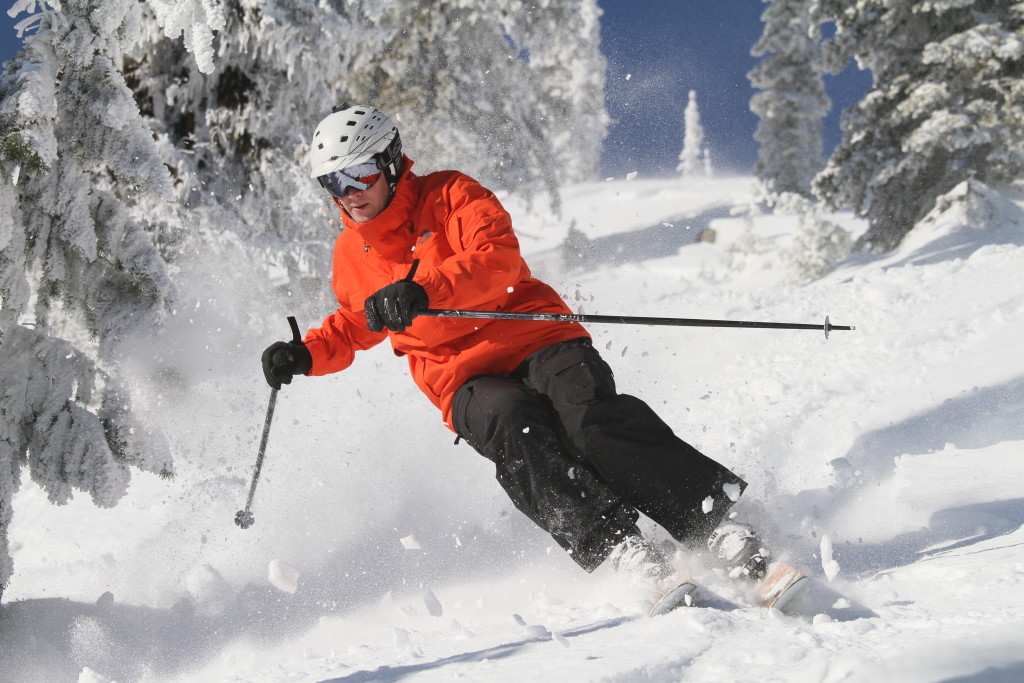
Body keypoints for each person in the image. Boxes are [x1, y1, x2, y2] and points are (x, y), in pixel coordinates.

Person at [262, 104, 767, 591]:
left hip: (532, 333)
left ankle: (709, 522)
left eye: (360, 175)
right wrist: (305, 353)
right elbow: (355, 321)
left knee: (587, 419)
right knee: (514, 426)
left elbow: (498, 261)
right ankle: (617, 547)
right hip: (459, 377)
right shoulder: (351, 253)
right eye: (333, 182)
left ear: (391, 162)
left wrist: (427, 290)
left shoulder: (452, 194)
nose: (348, 194)